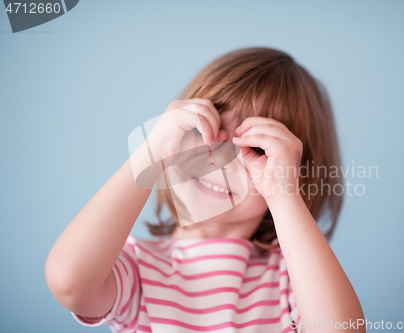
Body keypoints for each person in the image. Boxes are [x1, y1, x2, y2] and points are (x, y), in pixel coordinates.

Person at [45, 47, 365, 333]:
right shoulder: (136, 269)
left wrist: (283, 196)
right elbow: (69, 283)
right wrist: (151, 152)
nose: (221, 162)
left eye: (255, 149)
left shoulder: (294, 278)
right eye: (205, 132)